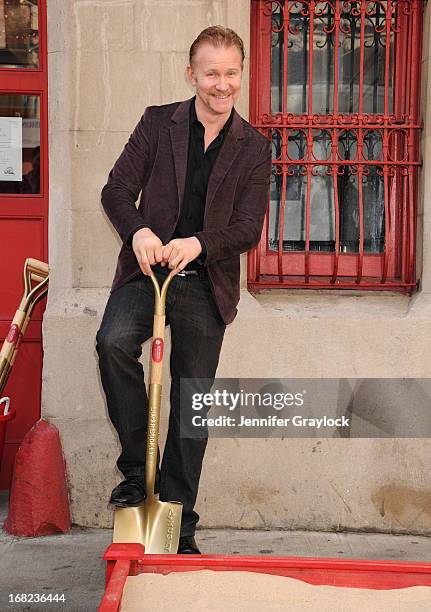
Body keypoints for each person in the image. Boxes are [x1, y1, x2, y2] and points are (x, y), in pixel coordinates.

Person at [96, 26, 271, 554]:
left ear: (242, 75)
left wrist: (197, 244)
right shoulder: (158, 123)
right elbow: (116, 190)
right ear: (191, 73)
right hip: (147, 273)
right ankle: (135, 471)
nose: (222, 84)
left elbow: (246, 229)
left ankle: (179, 528)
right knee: (112, 343)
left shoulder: (255, 147)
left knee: (191, 404)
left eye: (231, 73)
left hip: (204, 279)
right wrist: (140, 232)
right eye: (211, 73)